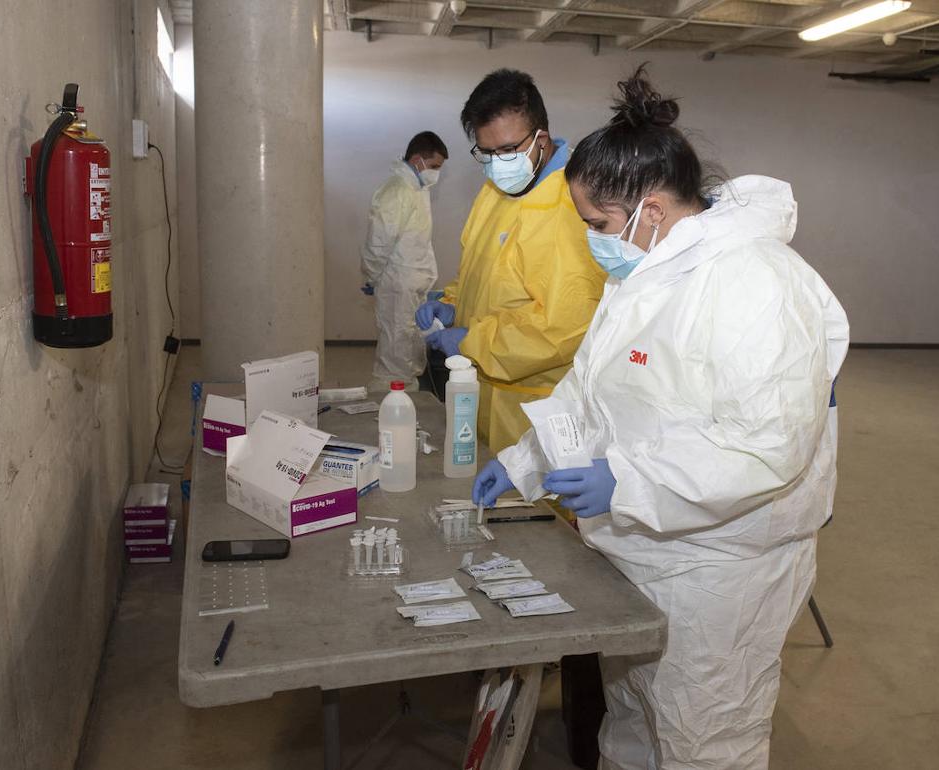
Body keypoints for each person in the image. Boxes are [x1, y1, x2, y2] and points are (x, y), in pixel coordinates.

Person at [472, 66, 850, 769]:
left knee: (702, 742)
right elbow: (590, 390)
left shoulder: (759, 285)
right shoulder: (644, 272)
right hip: (639, 552)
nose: (591, 239)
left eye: (596, 224)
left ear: (649, 209)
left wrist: (628, 482)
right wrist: (527, 457)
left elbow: (768, 448)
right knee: (634, 720)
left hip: (721, 571)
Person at [415, 70, 604, 453]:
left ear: (541, 139)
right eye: (485, 153)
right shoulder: (496, 191)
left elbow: (564, 326)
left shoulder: (572, 204)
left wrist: (475, 340)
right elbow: (479, 271)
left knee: (535, 506)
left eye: (507, 151)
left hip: (535, 409)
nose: (497, 163)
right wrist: (452, 304)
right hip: (485, 395)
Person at [361, 131, 448, 391]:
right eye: (433, 166)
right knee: (396, 342)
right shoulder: (397, 190)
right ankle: (388, 395)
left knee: (408, 340)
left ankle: (406, 392)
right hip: (397, 282)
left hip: (412, 283)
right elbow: (379, 241)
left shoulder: (417, 189)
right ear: (417, 159)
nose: (435, 173)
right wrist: (371, 275)